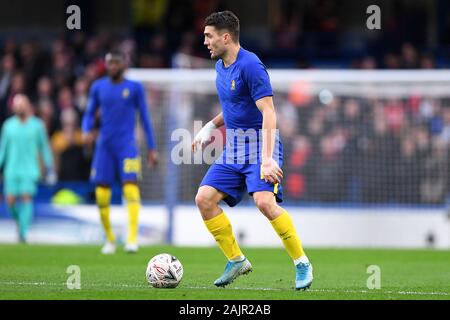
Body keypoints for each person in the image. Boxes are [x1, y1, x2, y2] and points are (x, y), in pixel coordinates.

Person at [192, 11, 313, 290]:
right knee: (204, 199)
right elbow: (234, 105)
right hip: (234, 147)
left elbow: (268, 112)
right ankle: (236, 260)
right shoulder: (221, 66)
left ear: (225, 37)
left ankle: (302, 262)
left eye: (209, 36)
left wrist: (268, 159)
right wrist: (210, 126)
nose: (205, 42)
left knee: (264, 203)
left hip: (260, 145)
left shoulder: (251, 65)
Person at [82, 51, 158, 254]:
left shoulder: (134, 88)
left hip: (127, 146)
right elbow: (89, 114)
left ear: (123, 64)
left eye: (116, 62)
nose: (113, 66)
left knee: (131, 187)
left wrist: (152, 147)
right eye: (110, 63)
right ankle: (109, 239)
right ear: (106, 65)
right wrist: (87, 131)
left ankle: (132, 238)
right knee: (101, 193)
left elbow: (145, 118)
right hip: (104, 146)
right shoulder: (98, 87)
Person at [0, 94, 56, 243]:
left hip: (30, 169)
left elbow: (44, 147)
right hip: (11, 169)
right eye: (17, 104)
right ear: (13, 107)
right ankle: (21, 223)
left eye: (22, 104)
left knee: (26, 198)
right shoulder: (8, 126)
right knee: (10, 201)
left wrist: (50, 168)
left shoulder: (37, 125)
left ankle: (23, 234)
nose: (19, 107)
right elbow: (2, 149)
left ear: (28, 106)